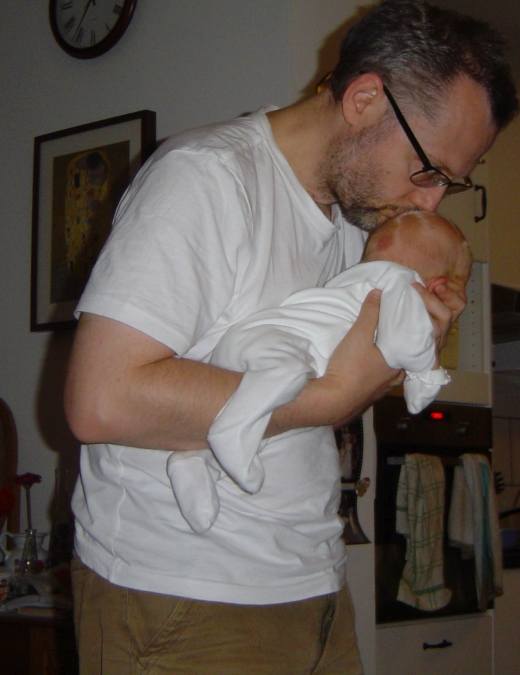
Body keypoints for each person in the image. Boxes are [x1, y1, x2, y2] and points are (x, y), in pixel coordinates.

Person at [64, 0, 518, 673]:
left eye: (451, 184)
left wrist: (397, 352)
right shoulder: (207, 178)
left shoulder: (356, 227)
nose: (429, 202)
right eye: (428, 171)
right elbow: (100, 400)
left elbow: (317, 390)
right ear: (364, 99)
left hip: (312, 586)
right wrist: (332, 398)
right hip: (183, 598)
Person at [167, 211, 472, 534]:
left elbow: (316, 407)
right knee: (287, 378)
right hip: (277, 350)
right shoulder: (401, 282)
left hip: (250, 346)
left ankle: (196, 459)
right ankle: (232, 430)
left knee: (282, 412)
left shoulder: (352, 279)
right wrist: (428, 373)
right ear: (438, 287)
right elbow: (403, 345)